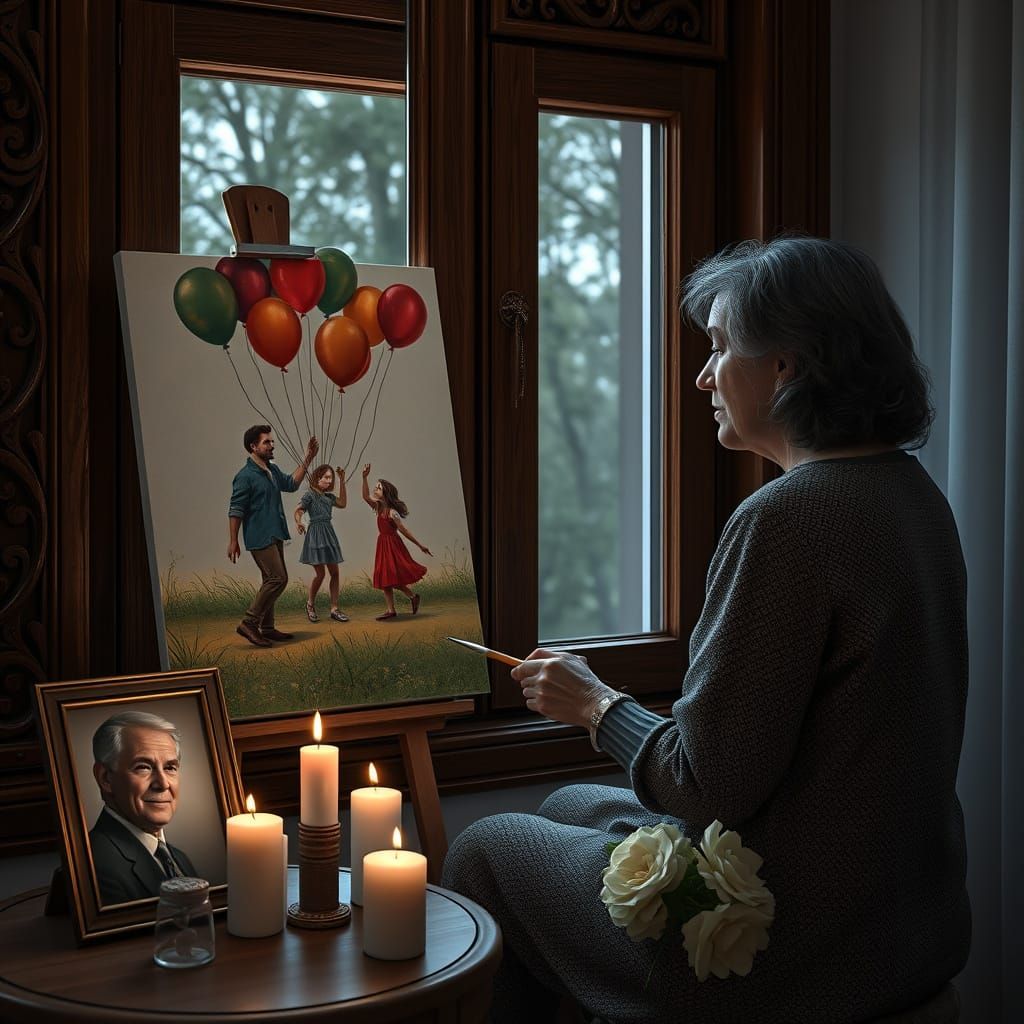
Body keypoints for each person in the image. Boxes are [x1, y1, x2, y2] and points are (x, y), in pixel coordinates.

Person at [442, 237, 971, 1023]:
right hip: (895, 924)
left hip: (788, 950)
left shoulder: (789, 519)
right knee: (564, 811)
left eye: (720, 347)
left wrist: (596, 707)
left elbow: (707, 783)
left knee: (485, 850)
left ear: (785, 366)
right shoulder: (912, 495)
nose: (702, 376)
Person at [88, 710, 198, 905]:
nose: (163, 783)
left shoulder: (180, 858)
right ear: (105, 778)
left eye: (170, 767)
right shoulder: (93, 867)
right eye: (143, 767)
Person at [228, 425, 318, 647]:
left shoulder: (271, 469)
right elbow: (236, 509)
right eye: (266, 442)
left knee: (271, 579)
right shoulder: (245, 476)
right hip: (259, 536)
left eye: (271, 441)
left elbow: (291, 484)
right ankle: (249, 623)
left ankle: (266, 628)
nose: (272, 445)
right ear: (253, 446)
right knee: (278, 578)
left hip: (275, 532)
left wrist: (308, 458)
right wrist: (233, 540)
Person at [360, 463, 432, 621]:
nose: (375, 490)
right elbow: (365, 497)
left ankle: (411, 597)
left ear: (385, 493)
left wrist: (420, 545)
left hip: (393, 546)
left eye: (378, 488)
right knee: (385, 578)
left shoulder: (392, 513)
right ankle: (393, 608)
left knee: (391, 577)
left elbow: (404, 531)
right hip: (383, 544)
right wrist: (364, 477)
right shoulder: (378, 507)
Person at [295, 463, 349, 623]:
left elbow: (343, 503)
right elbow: (299, 509)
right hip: (316, 534)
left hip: (328, 533)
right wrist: (298, 521)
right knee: (321, 573)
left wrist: (342, 480)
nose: (329, 480)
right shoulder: (310, 495)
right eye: (326, 477)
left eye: (331, 478)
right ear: (317, 478)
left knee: (335, 573)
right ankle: (310, 604)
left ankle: (334, 608)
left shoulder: (329, 497)